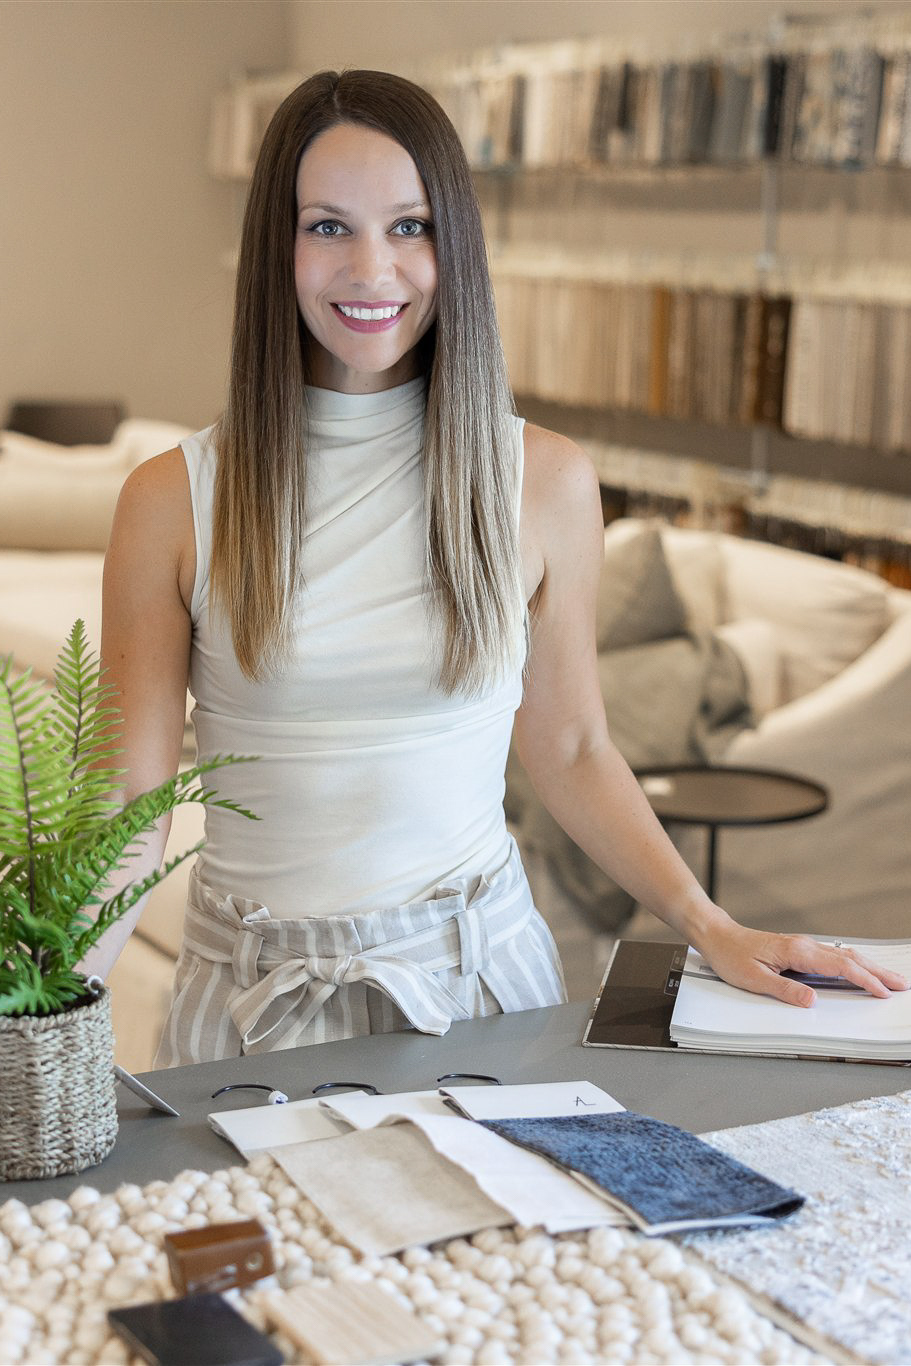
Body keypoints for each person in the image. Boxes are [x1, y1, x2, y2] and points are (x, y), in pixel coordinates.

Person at [92, 69, 906, 1065]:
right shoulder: (171, 499)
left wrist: (712, 926)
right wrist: (36, 1008)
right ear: (276, 244)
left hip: (480, 985)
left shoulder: (544, 482)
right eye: (327, 227)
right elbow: (127, 803)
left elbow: (571, 748)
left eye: (410, 226)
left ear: (455, 246)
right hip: (251, 1002)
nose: (372, 269)